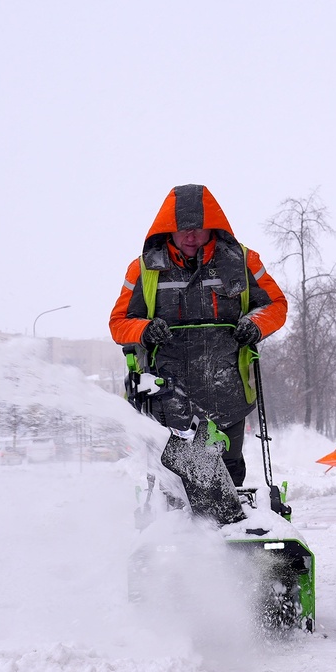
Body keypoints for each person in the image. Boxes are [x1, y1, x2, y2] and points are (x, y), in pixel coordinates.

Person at [109, 183, 287, 489]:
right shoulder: (144, 269)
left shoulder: (243, 262)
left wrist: (254, 324)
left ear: (213, 228)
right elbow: (119, 322)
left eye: (198, 229)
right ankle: (177, 516)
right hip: (169, 395)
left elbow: (276, 306)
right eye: (182, 229)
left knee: (228, 470)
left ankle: (230, 517)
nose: (190, 236)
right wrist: (145, 330)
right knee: (177, 476)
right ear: (168, 230)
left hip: (228, 390)